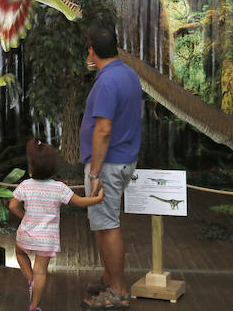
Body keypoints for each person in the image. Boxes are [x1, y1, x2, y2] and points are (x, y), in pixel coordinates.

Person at [79, 23, 143, 310]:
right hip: (122, 158)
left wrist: (95, 173)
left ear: (92, 50)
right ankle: (109, 278)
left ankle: (118, 290)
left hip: (107, 164)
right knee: (102, 224)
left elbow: (103, 130)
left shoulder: (107, 81)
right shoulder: (127, 73)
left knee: (107, 226)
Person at [9, 138, 104, 311]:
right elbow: (81, 202)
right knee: (41, 271)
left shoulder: (25, 185)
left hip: (26, 233)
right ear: (53, 167)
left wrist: (24, 216)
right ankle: (34, 307)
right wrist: (97, 199)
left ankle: (30, 279)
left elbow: (12, 206)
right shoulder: (59, 188)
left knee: (20, 253)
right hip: (46, 238)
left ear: (31, 168)